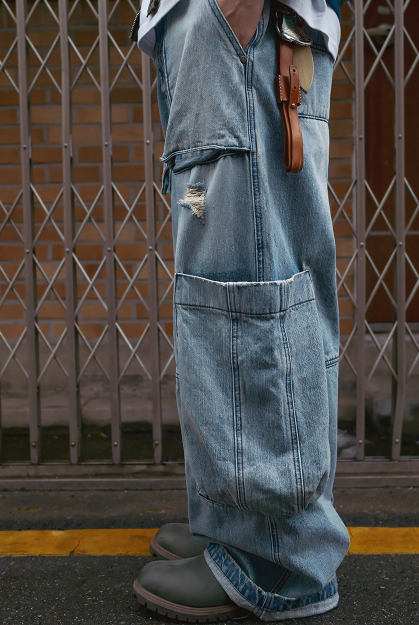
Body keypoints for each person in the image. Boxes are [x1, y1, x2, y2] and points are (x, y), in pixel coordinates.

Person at [131, 0, 350, 621]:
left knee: (249, 281)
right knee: (229, 267)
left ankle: (276, 553)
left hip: (239, 25)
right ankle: (233, 520)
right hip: (211, 28)